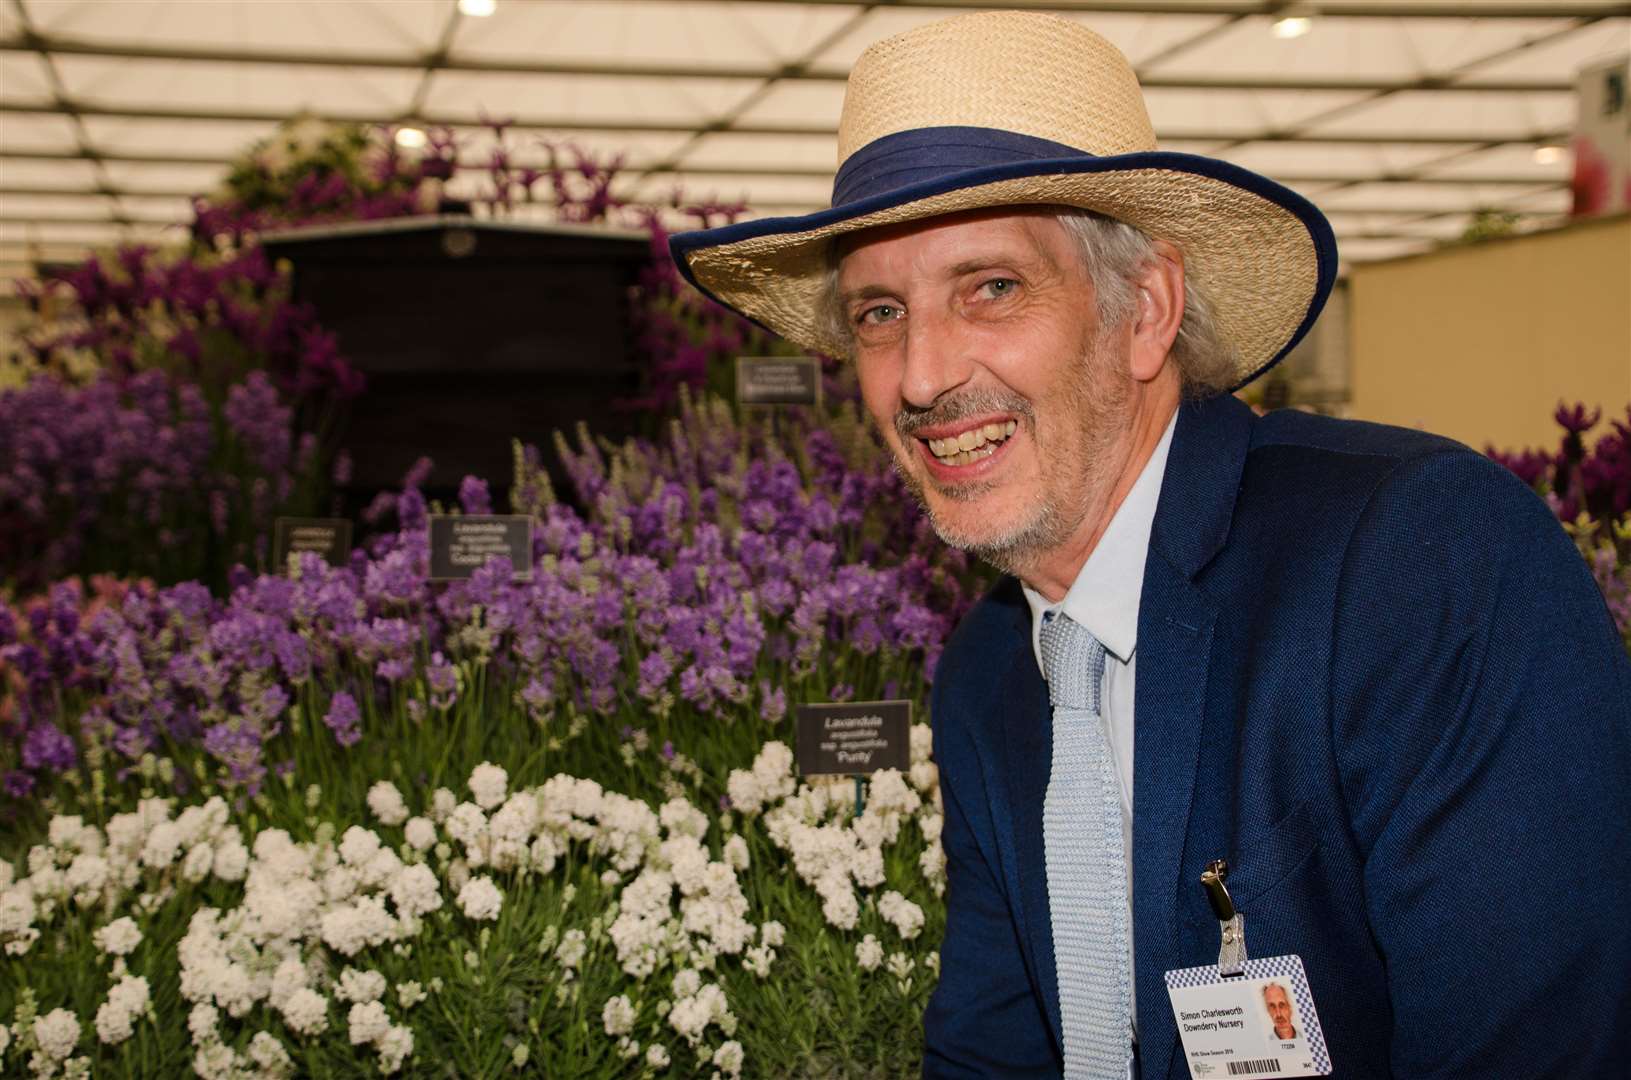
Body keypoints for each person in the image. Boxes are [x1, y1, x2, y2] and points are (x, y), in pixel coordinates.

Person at [670, 10, 1631, 1079]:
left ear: (1145, 310)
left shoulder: (1419, 566)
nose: (921, 375)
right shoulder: (990, 674)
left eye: (990, 287)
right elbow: (994, 1055)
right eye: (879, 314)